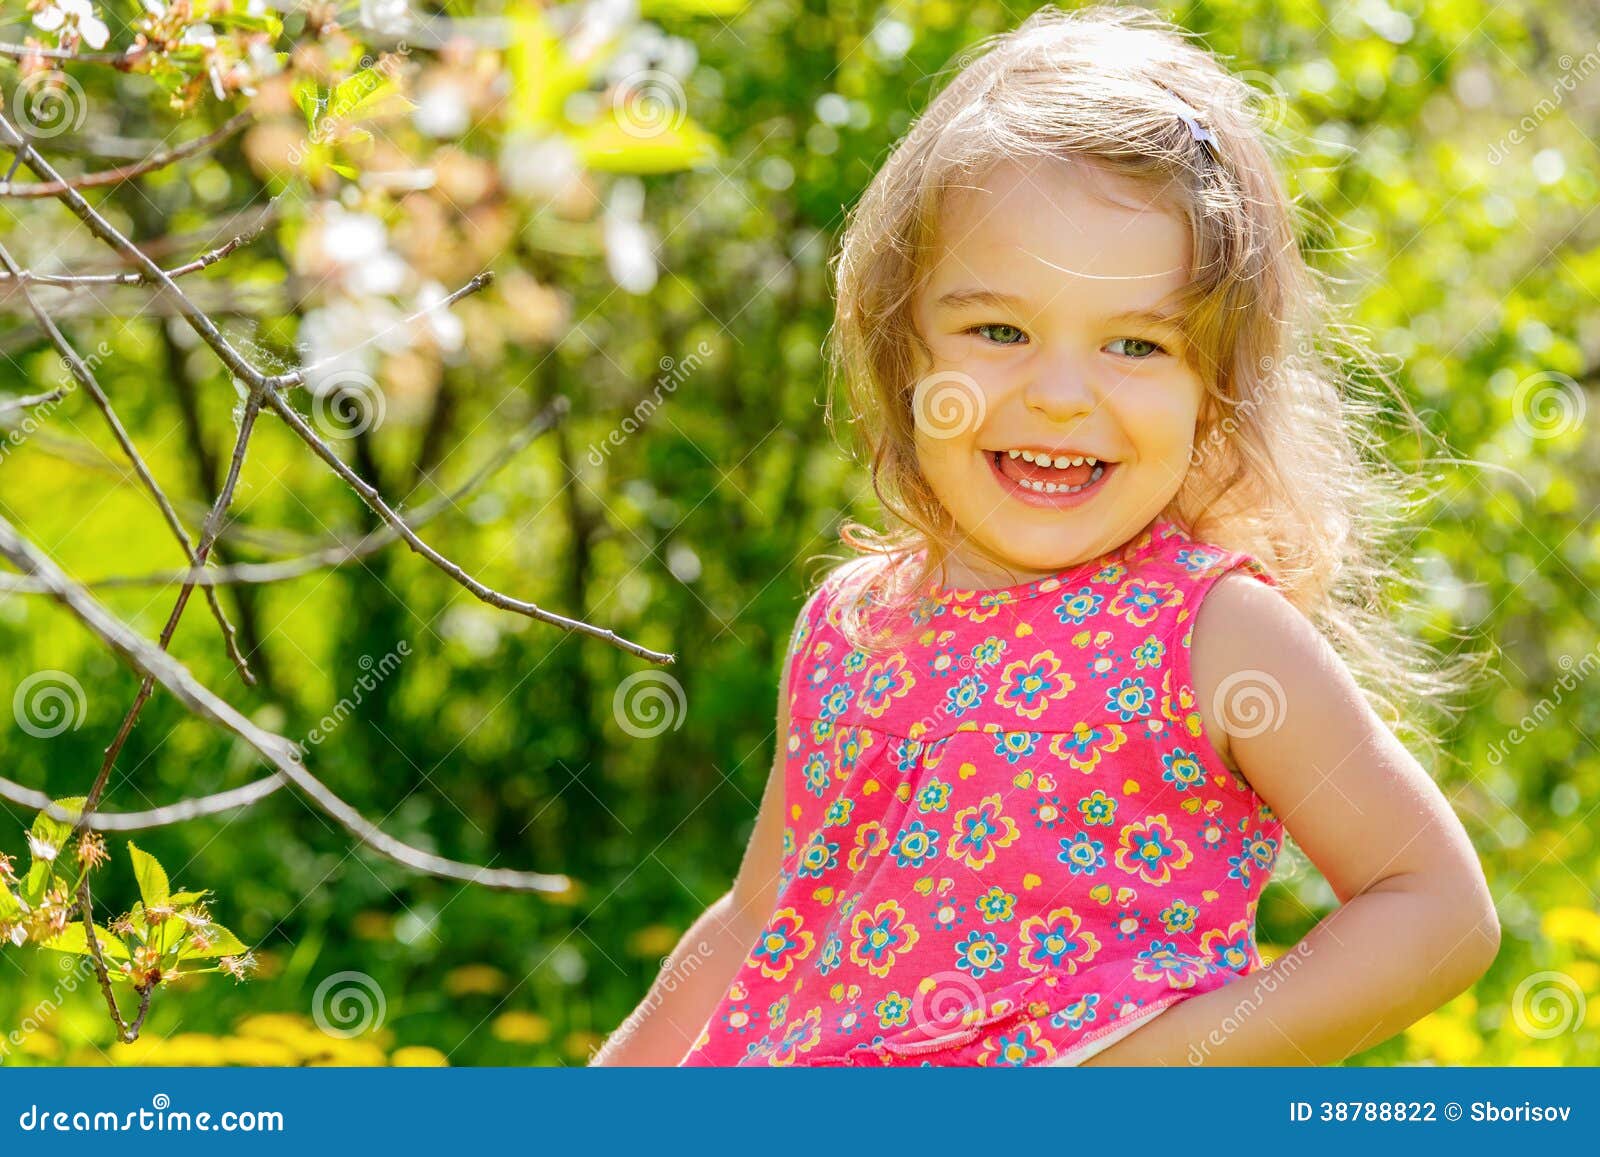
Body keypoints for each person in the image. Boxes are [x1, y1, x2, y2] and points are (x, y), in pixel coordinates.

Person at [591, 3, 1498, 1068]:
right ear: (903, 346)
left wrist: (1136, 1074)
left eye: (1134, 342)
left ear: (1213, 388)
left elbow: (1433, 907)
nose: (1060, 395)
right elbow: (759, 922)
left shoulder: (1210, 631)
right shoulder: (851, 623)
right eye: (999, 331)